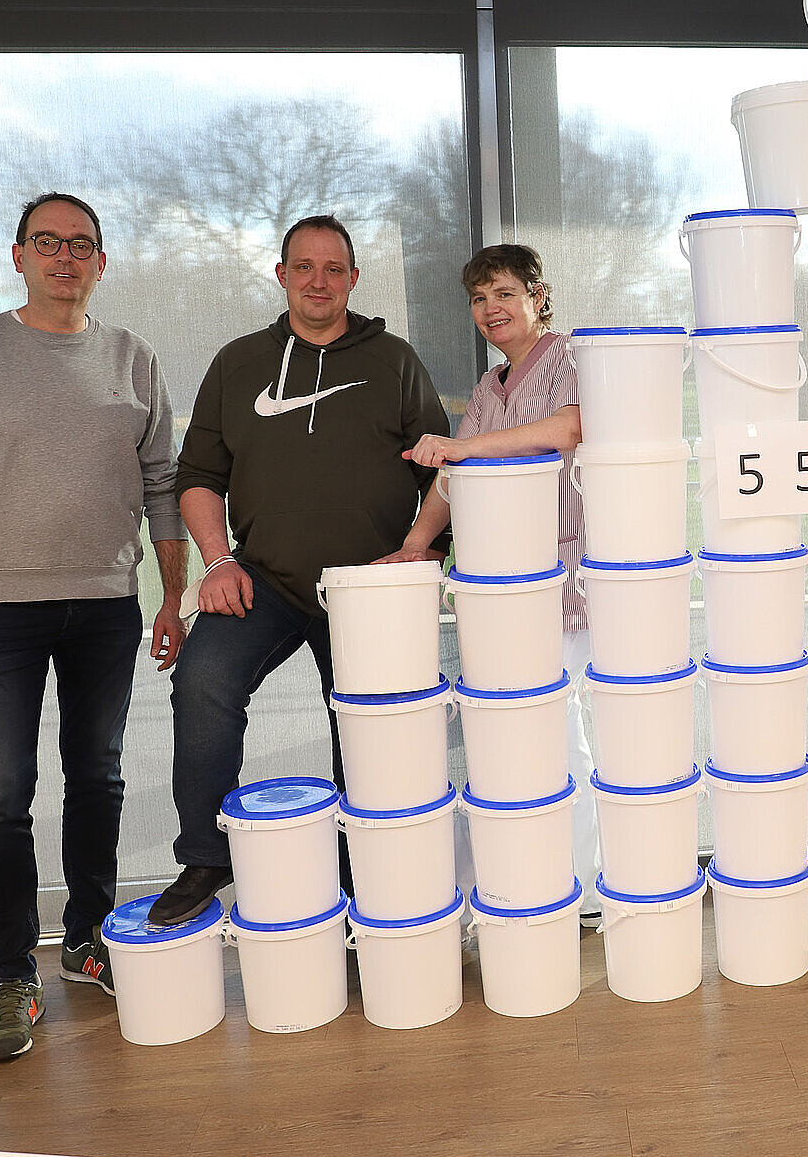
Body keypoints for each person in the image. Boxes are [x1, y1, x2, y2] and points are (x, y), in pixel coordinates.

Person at [0, 193, 187, 1063]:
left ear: (102, 262)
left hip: (106, 606)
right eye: (46, 242)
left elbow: (163, 486)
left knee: (98, 778)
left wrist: (173, 597)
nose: (64, 257)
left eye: (80, 244)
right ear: (18, 256)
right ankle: (12, 975)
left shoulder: (133, 358)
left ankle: (87, 940)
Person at [149, 214, 450, 926]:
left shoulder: (395, 360)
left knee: (364, 734)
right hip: (266, 580)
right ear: (282, 275)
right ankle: (206, 857)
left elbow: (442, 465)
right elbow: (197, 477)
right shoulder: (239, 363)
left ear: (353, 279)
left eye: (334, 269)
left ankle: (364, 886)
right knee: (202, 680)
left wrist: (423, 550)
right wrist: (217, 562)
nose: (319, 281)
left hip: (368, 590)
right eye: (305, 267)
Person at [397, 243, 599, 919]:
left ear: (539, 297)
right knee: (517, 744)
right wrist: (416, 546)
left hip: (563, 579)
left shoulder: (570, 359)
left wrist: (462, 447)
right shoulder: (490, 388)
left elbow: (570, 427)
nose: (491, 309)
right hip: (502, 594)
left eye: (505, 293)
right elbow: (453, 477)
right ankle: (520, 883)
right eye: (479, 299)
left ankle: (580, 891)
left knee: (561, 738)